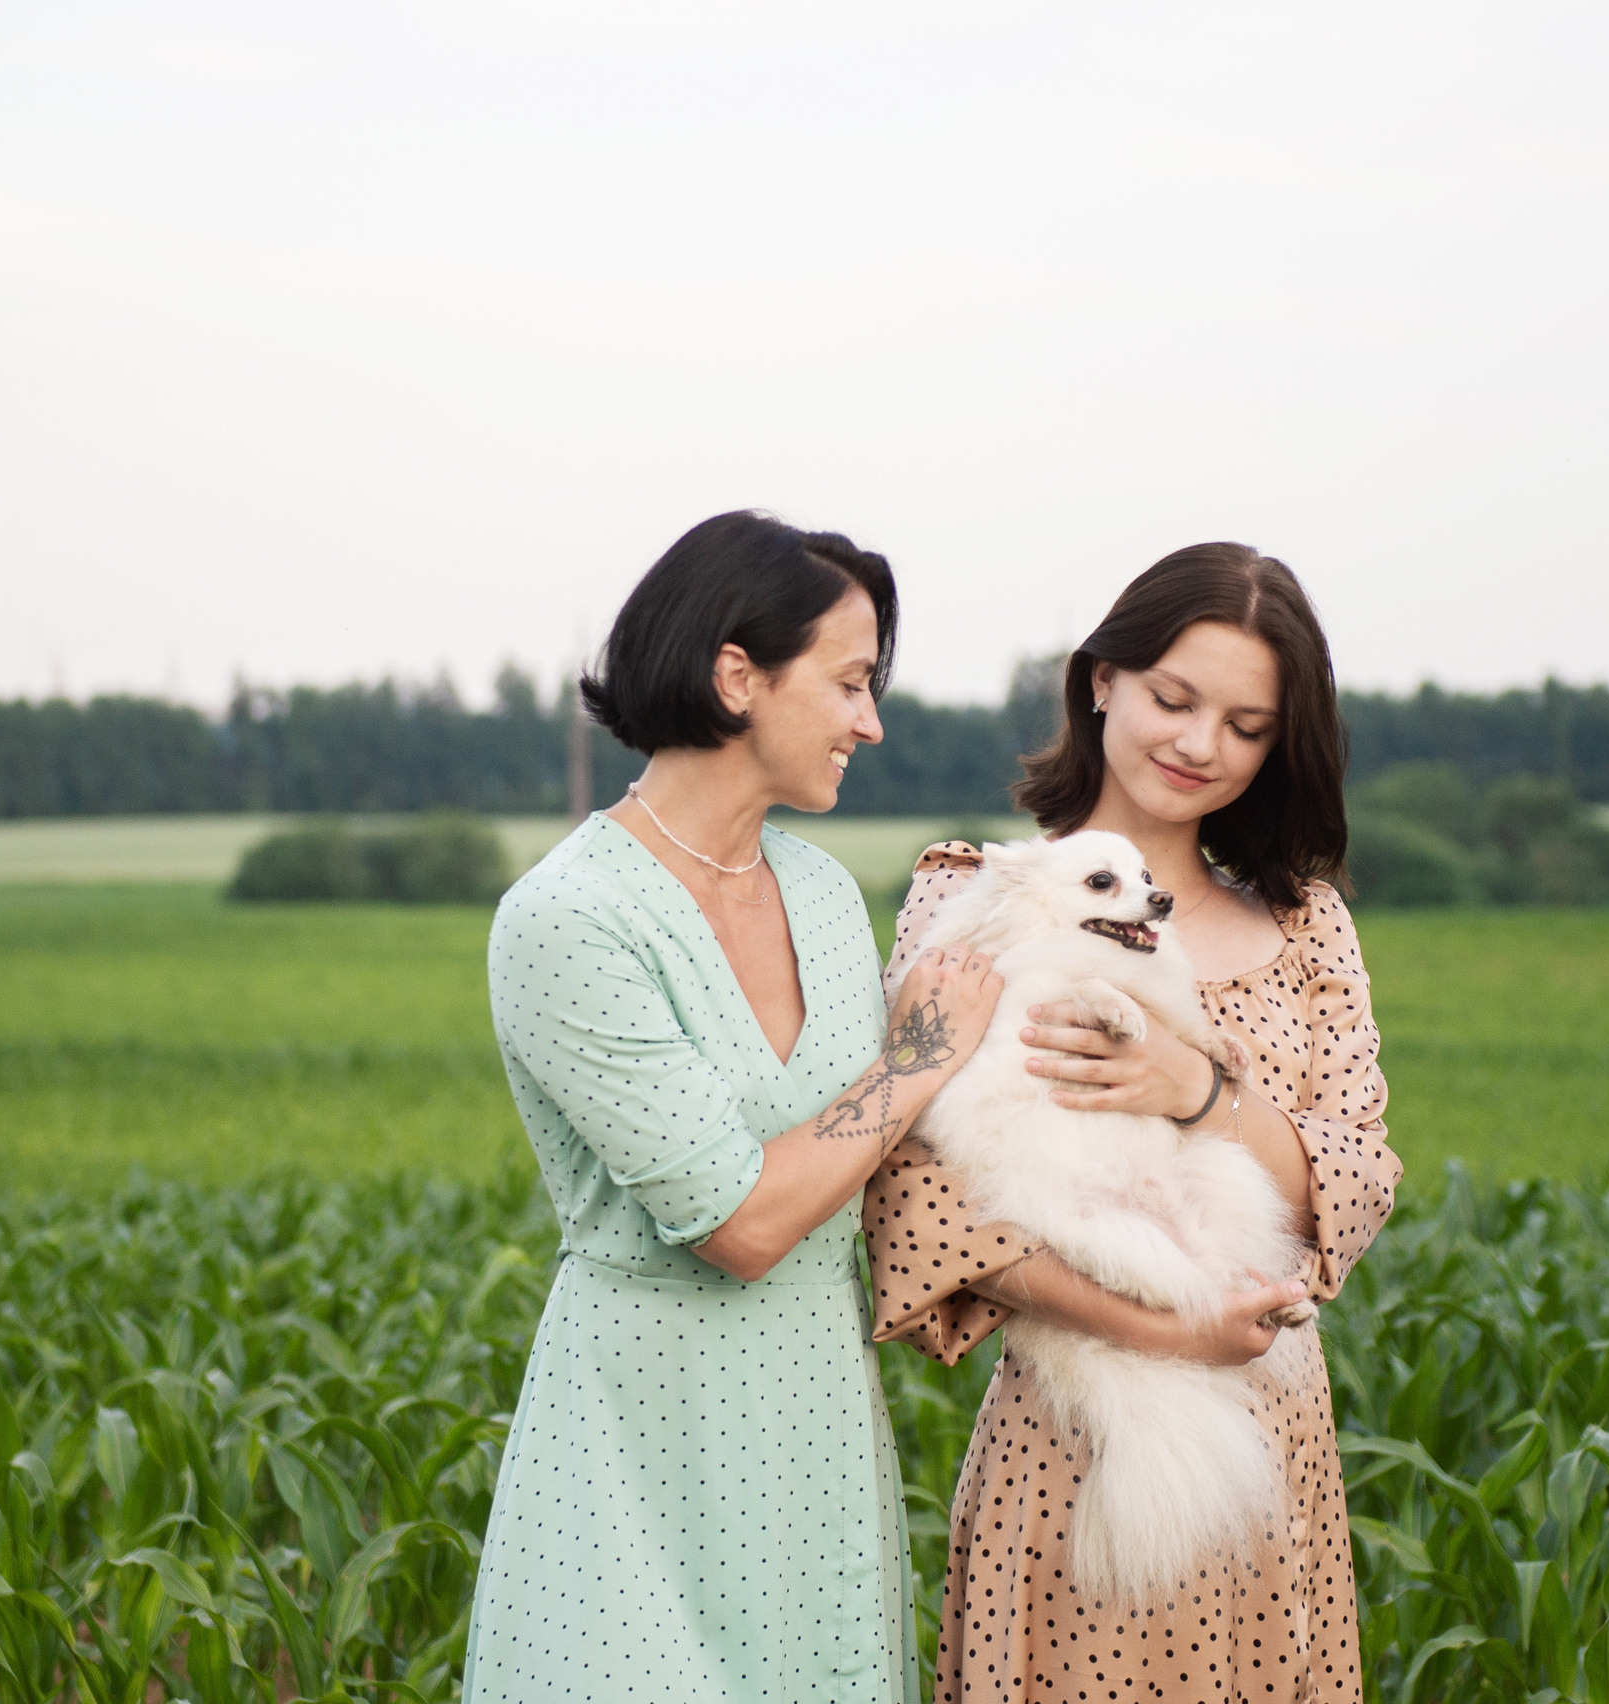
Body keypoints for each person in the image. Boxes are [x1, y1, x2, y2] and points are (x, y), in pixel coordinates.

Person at [463, 511, 1005, 1704]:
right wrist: (918, 1062)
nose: (873, 721)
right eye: (853, 682)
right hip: (643, 1441)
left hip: (812, 1428)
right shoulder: (567, 919)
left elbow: (887, 1163)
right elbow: (744, 1224)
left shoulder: (816, 891)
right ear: (735, 677)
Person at [863, 543, 1401, 1704]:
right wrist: (1168, 1331)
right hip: (1078, 1447)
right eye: (1173, 697)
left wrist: (1193, 1087)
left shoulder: (1307, 928)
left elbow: (1352, 1181)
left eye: (1247, 725)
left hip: (1277, 1458)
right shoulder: (973, 897)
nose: (1201, 743)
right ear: (1100, 680)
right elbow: (921, 1201)